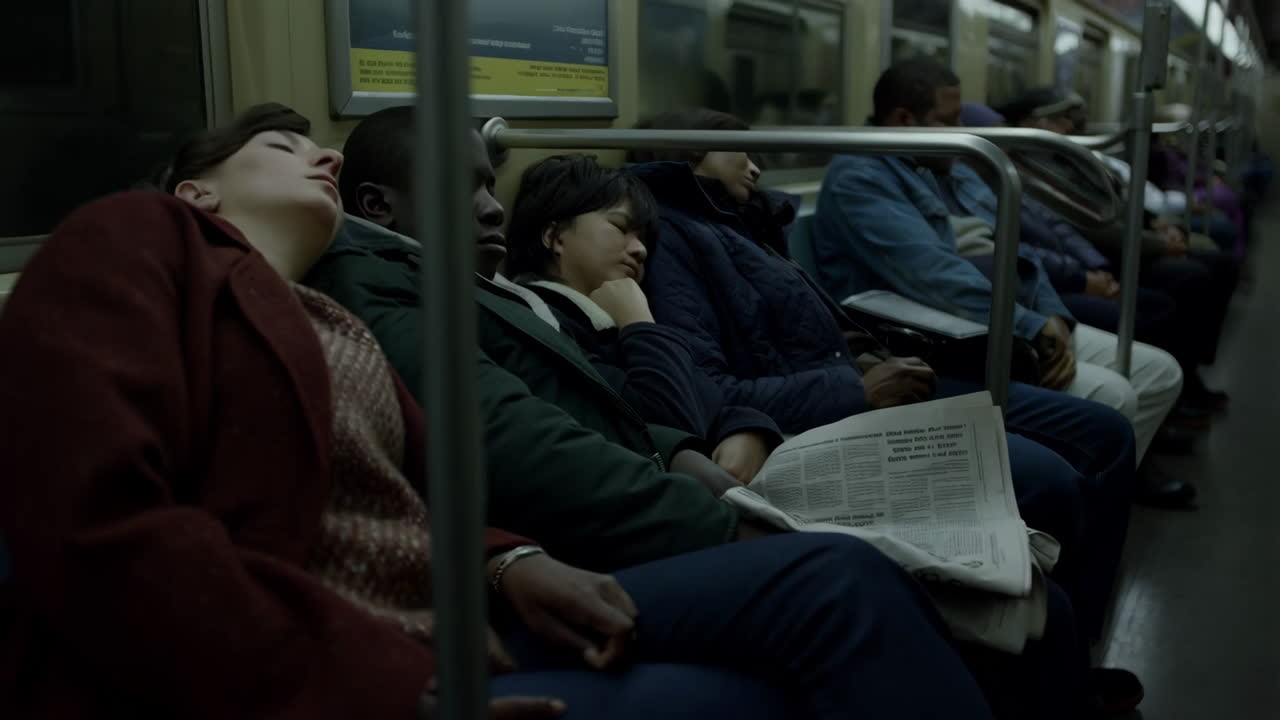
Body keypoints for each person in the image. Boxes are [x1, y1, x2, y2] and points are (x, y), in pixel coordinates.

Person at [0, 103, 1007, 720]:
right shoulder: (133, 241)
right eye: (280, 143)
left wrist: (505, 560)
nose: (322, 158)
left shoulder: (322, 317)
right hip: (335, 649)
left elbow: (400, 493)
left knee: (831, 575)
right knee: (826, 584)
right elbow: (97, 523)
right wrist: (367, 677)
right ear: (198, 194)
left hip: (458, 608)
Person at [312, 105, 1119, 720]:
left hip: (695, 471)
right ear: (377, 205)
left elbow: (636, 408)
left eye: (491, 184)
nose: (491, 207)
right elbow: (519, 438)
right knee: (847, 576)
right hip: (593, 537)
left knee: (1026, 584)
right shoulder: (382, 289)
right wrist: (713, 501)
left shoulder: (498, 295)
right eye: (464, 190)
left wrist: (694, 450)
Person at [813, 58, 1183, 475]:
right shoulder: (860, 176)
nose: (963, 131)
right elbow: (931, 276)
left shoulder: (942, 163)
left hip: (1001, 316)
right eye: (949, 120)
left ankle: (1100, 490)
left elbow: (1015, 244)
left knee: (1160, 373)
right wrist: (1030, 326)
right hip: (925, 338)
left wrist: (1050, 314)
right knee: (1114, 397)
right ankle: (1079, 506)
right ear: (903, 118)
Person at [503, 154, 782, 482]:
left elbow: (709, 396)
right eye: (620, 227)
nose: (640, 250)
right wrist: (638, 322)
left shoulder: (609, 317)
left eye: (644, 239)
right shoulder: (545, 325)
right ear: (554, 236)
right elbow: (670, 424)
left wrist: (749, 430)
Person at [957, 102, 1223, 427]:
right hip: (1044, 283)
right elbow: (1011, 252)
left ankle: (1172, 405)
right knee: (1154, 308)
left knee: (1172, 293)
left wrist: (1095, 268)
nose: (1069, 127)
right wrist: (1082, 278)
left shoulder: (1009, 173)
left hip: (1061, 274)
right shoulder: (982, 181)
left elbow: (1059, 229)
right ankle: (1163, 417)